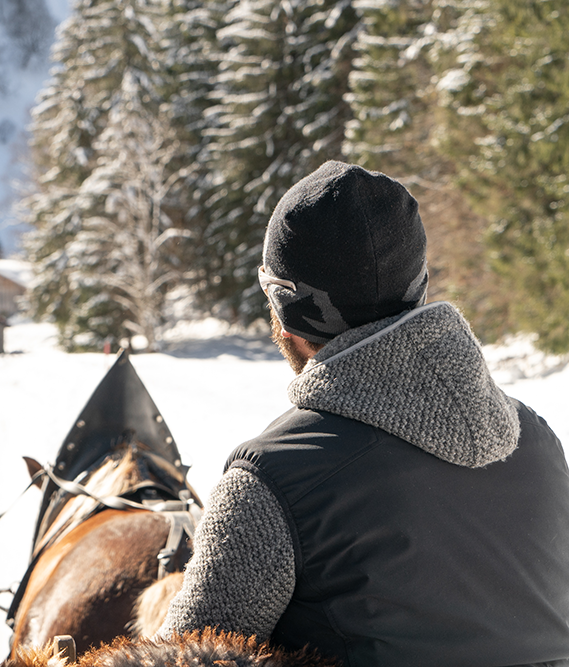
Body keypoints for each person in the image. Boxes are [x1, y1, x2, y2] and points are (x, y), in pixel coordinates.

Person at [159, 161, 569, 665]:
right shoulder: (538, 441)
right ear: (418, 286)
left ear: (286, 309)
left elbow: (181, 655)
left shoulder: (273, 480)